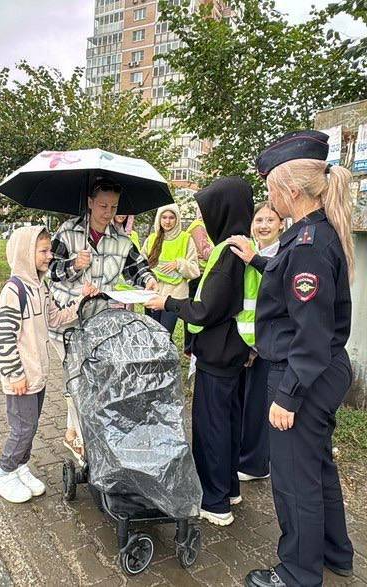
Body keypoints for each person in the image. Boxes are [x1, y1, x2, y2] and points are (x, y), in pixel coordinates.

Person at [226, 131, 355, 587]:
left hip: (302, 374)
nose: (268, 197)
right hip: (317, 370)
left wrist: (288, 396)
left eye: (271, 189)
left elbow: (312, 334)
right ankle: (336, 553)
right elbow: (292, 286)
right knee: (317, 465)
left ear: (292, 191)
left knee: (295, 479)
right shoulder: (309, 234)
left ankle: (299, 573)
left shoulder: (307, 245)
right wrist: (257, 260)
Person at [144, 177, 254, 527]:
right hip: (233, 352)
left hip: (219, 354)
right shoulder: (241, 245)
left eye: (208, 213)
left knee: (212, 428)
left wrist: (169, 303)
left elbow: (206, 310)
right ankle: (230, 488)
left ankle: (215, 500)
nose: (204, 222)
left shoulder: (227, 253)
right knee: (230, 422)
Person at [49, 179, 157, 455]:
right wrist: (73, 264)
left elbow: (137, 267)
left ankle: (82, 429)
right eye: (102, 205)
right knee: (75, 375)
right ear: (89, 202)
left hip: (101, 322)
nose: (108, 212)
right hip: (69, 319)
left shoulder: (121, 239)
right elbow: (49, 269)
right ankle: (77, 434)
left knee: (95, 376)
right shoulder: (68, 232)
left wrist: (148, 280)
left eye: (113, 207)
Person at [0, 225, 99, 503]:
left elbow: (55, 319)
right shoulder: (14, 291)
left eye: (50, 250)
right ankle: (4, 473)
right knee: (22, 427)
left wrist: (81, 300)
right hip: (21, 376)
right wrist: (14, 374)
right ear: (25, 253)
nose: (50, 255)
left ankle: (20, 467)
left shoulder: (40, 286)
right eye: (43, 251)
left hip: (37, 373)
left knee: (32, 424)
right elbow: (5, 336)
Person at [238, 202, 283, 483]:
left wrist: (256, 345)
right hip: (251, 339)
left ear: (281, 224)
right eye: (259, 220)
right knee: (248, 401)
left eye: (270, 219)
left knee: (259, 404)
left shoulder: (283, 253)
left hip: (270, 342)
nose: (264, 225)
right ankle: (247, 456)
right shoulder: (248, 251)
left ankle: (257, 464)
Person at [141, 204, 200, 338]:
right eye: (164, 217)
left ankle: (165, 359)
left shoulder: (186, 239)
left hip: (174, 297)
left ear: (177, 219)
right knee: (151, 333)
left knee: (165, 335)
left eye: (171, 217)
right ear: (159, 219)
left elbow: (195, 270)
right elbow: (141, 264)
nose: (167, 221)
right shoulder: (151, 239)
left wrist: (179, 264)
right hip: (153, 293)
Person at [183, 205, 214, 354]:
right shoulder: (198, 225)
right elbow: (206, 252)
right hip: (198, 276)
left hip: (207, 274)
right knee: (194, 312)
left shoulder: (210, 226)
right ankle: (190, 347)